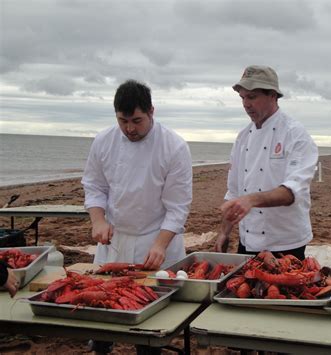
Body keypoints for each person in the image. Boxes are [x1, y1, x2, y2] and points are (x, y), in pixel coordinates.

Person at [82, 79, 192, 355]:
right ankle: (101, 346)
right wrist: (98, 220)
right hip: (114, 242)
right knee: (103, 315)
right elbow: (94, 186)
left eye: (137, 121)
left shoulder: (174, 147)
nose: (130, 128)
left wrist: (161, 243)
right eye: (123, 121)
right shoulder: (103, 141)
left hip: (154, 240)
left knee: (149, 326)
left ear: (151, 112)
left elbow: (177, 206)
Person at [214, 65, 318, 260]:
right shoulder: (243, 138)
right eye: (243, 98)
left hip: (286, 244)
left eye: (252, 97)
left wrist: (251, 200)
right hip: (248, 242)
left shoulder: (295, 134)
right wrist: (224, 232)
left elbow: (292, 190)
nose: (246, 104)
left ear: (272, 95)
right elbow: (234, 192)